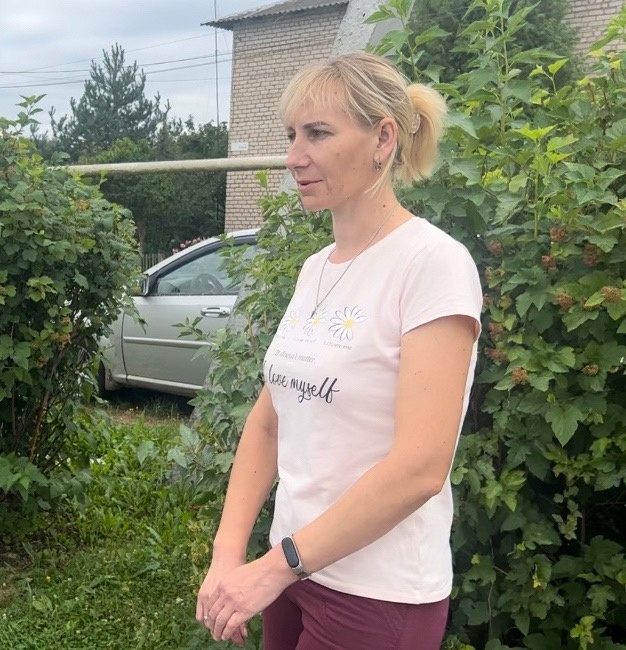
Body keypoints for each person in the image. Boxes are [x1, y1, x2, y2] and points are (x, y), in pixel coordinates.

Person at [195, 52, 482, 648]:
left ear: (383, 139)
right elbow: (270, 420)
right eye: (291, 135)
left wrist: (273, 569)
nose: (294, 156)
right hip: (292, 572)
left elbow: (420, 468)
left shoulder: (432, 264)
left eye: (318, 133)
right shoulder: (315, 269)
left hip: (377, 594)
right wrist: (228, 556)